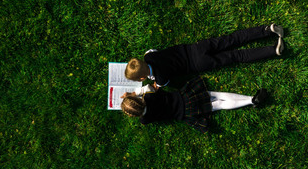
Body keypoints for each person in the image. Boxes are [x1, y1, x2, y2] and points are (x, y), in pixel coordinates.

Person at [125, 24, 284, 89]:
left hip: (198, 64)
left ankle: (273, 50)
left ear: (141, 79)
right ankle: (266, 30)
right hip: (195, 48)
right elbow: (151, 50)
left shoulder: (159, 78)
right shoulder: (149, 56)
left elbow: (163, 84)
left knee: (237, 56)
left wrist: (154, 86)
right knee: (232, 39)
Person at [121, 77, 268, 134]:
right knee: (216, 95)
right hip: (186, 97)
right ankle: (250, 99)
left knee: (217, 105)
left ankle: (252, 102)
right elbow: (154, 89)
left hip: (186, 112)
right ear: (139, 100)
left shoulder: (144, 120)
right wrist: (133, 94)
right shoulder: (149, 97)